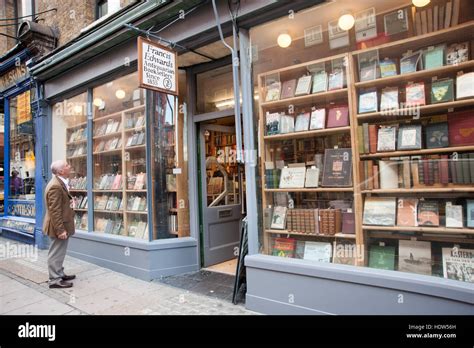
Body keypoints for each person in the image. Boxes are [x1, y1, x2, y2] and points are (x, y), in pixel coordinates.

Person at [43, 160, 76, 288]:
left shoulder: (59, 182)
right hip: (58, 226)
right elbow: (54, 211)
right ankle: (54, 279)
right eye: (67, 165)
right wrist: (60, 230)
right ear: (61, 171)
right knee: (56, 252)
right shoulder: (55, 186)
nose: (70, 166)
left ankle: (59, 273)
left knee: (60, 251)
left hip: (62, 224)